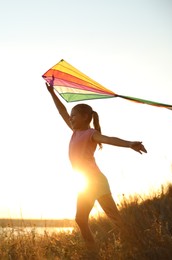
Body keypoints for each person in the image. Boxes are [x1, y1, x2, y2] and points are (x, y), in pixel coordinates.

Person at [45, 82, 147, 250]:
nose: (70, 118)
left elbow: (109, 139)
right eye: (71, 116)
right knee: (80, 219)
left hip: (95, 181)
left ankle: (137, 245)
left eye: (74, 116)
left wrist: (130, 144)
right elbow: (61, 111)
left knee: (115, 218)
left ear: (85, 117)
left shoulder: (91, 134)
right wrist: (52, 93)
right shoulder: (75, 131)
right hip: (86, 182)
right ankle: (93, 251)